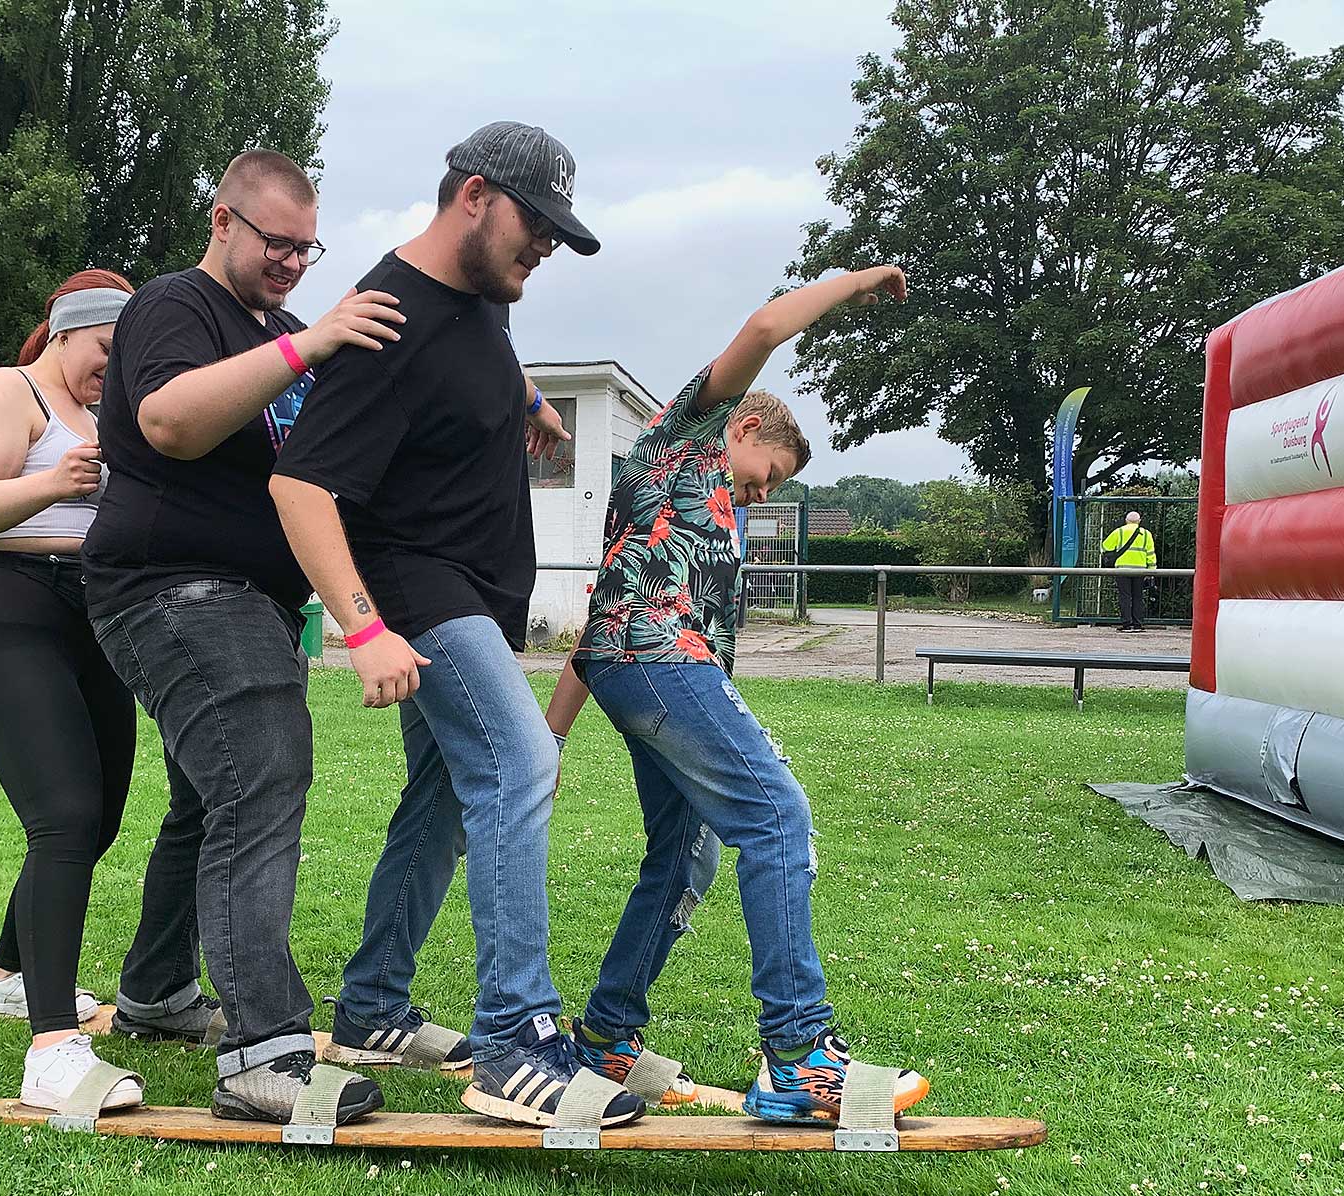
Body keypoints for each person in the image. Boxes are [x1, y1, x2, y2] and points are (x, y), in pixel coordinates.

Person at [271, 122, 644, 1131]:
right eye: (539, 226)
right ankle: (519, 1041)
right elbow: (299, 485)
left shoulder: (476, 303)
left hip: (472, 593)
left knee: (441, 799)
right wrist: (362, 629)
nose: (547, 250)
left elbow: (460, 369)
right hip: (420, 594)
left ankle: (374, 1006)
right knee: (522, 762)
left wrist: (528, 401)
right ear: (474, 194)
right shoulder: (389, 315)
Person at [541, 266, 932, 1125]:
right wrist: (854, 285)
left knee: (689, 854)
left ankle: (607, 1035)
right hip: (657, 665)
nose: (760, 495)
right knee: (777, 817)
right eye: (764, 476)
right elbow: (761, 328)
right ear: (747, 425)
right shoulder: (687, 436)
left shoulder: (703, 507)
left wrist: (553, 739)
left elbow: (606, 613)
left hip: (638, 666)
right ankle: (797, 1056)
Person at [83, 149, 408, 1125]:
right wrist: (311, 347)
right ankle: (262, 1053)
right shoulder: (175, 308)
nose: (294, 264)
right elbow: (171, 421)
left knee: (207, 796)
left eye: (309, 248)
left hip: (249, 597)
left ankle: (154, 992)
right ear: (221, 220)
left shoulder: (287, 332)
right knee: (262, 772)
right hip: (171, 587)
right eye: (278, 243)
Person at [0, 269, 157, 1115]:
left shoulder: (112, 414)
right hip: (13, 606)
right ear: (69, 331)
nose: (115, 368)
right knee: (63, 816)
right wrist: (52, 484)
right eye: (108, 349)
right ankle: (50, 1052)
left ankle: (6, 976)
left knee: (97, 817)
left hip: (97, 612)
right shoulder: (12, 391)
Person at [1102, 511, 1156, 631]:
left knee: (1124, 596)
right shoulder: (1146, 534)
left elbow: (1105, 546)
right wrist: (1151, 571)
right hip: (1140, 570)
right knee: (1138, 596)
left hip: (1122, 569)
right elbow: (1151, 554)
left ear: (1126, 520)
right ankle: (1138, 624)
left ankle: (1126, 623)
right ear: (1139, 521)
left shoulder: (1119, 532)